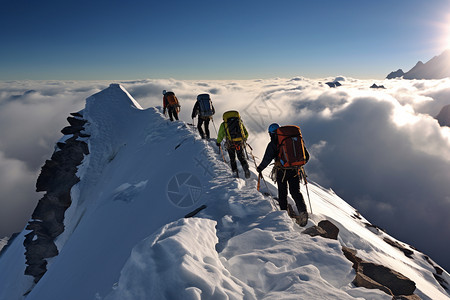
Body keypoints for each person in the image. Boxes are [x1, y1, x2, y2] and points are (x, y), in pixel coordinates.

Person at [256, 123, 310, 226]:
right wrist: (296, 164)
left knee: (282, 193)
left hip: (282, 172)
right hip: (295, 170)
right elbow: (306, 157)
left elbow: (267, 158)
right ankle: (303, 212)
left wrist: (260, 168)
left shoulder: (273, 144)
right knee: (295, 192)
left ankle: (284, 214)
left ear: (271, 133)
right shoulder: (294, 139)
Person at [216, 111, 251, 179]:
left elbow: (220, 134)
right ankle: (246, 169)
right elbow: (246, 133)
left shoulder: (224, 124)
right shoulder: (239, 123)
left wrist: (218, 142)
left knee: (232, 158)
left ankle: (235, 173)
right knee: (241, 157)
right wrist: (243, 139)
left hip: (230, 143)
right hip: (239, 143)